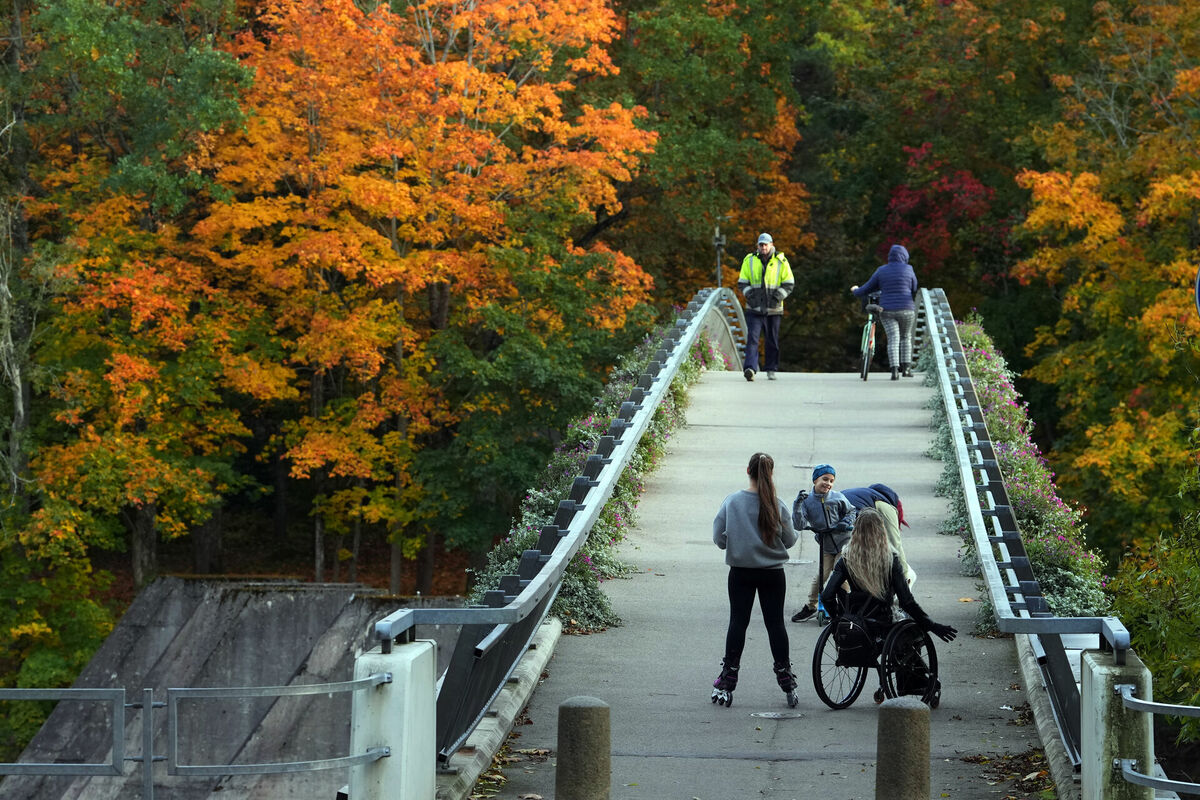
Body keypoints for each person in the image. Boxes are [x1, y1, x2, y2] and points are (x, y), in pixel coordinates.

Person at [711, 452, 800, 708]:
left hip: (741, 572)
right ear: (770, 474)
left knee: (738, 622)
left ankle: (728, 678)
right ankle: (785, 677)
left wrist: (737, 541)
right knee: (775, 625)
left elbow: (719, 538)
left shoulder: (733, 502)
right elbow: (790, 540)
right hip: (773, 573)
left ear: (746, 470)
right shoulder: (777, 504)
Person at [818, 508, 956, 652]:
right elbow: (906, 601)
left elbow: (827, 596)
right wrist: (932, 626)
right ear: (881, 531)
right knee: (913, 636)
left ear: (855, 531)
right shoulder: (890, 559)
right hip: (883, 623)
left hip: (855, 619)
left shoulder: (846, 559)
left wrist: (838, 621)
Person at [789, 464, 855, 622]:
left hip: (844, 544)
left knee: (840, 577)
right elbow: (799, 524)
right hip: (826, 545)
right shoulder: (807, 501)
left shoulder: (837, 497)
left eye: (832, 481)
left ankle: (846, 609)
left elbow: (852, 511)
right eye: (825, 479)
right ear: (815, 480)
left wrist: (845, 523)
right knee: (821, 577)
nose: (828, 483)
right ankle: (812, 606)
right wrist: (797, 505)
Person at [851, 244, 918, 380]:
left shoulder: (881, 270)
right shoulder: (909, 269)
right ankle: (907, 369)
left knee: (893, 338)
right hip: (907, 309)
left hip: (887, 310)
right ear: (905, 256)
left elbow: (867, 288)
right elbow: (914, 287)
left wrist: (855, 290)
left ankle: (894, 371)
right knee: (906, 337)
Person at [737, 232, 794, 381]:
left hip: (773, 309)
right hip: (754, 308)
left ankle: (771, 369)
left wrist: (777, 298)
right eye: (761, 244)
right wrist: (751, 297)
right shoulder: (749, 260)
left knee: (772, 340)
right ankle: (750, 368)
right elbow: (742, 282)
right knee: (753, 339)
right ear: (757, 246)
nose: (763, 247)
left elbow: (789, 283)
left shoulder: (781, 261)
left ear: (771, 245)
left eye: (766, 244)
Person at [842, 483, 914, 586]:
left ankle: (904, 580)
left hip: (876, 507)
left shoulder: (882, 504)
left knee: (893, 543)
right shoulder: (865, 497)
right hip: (858, 508)